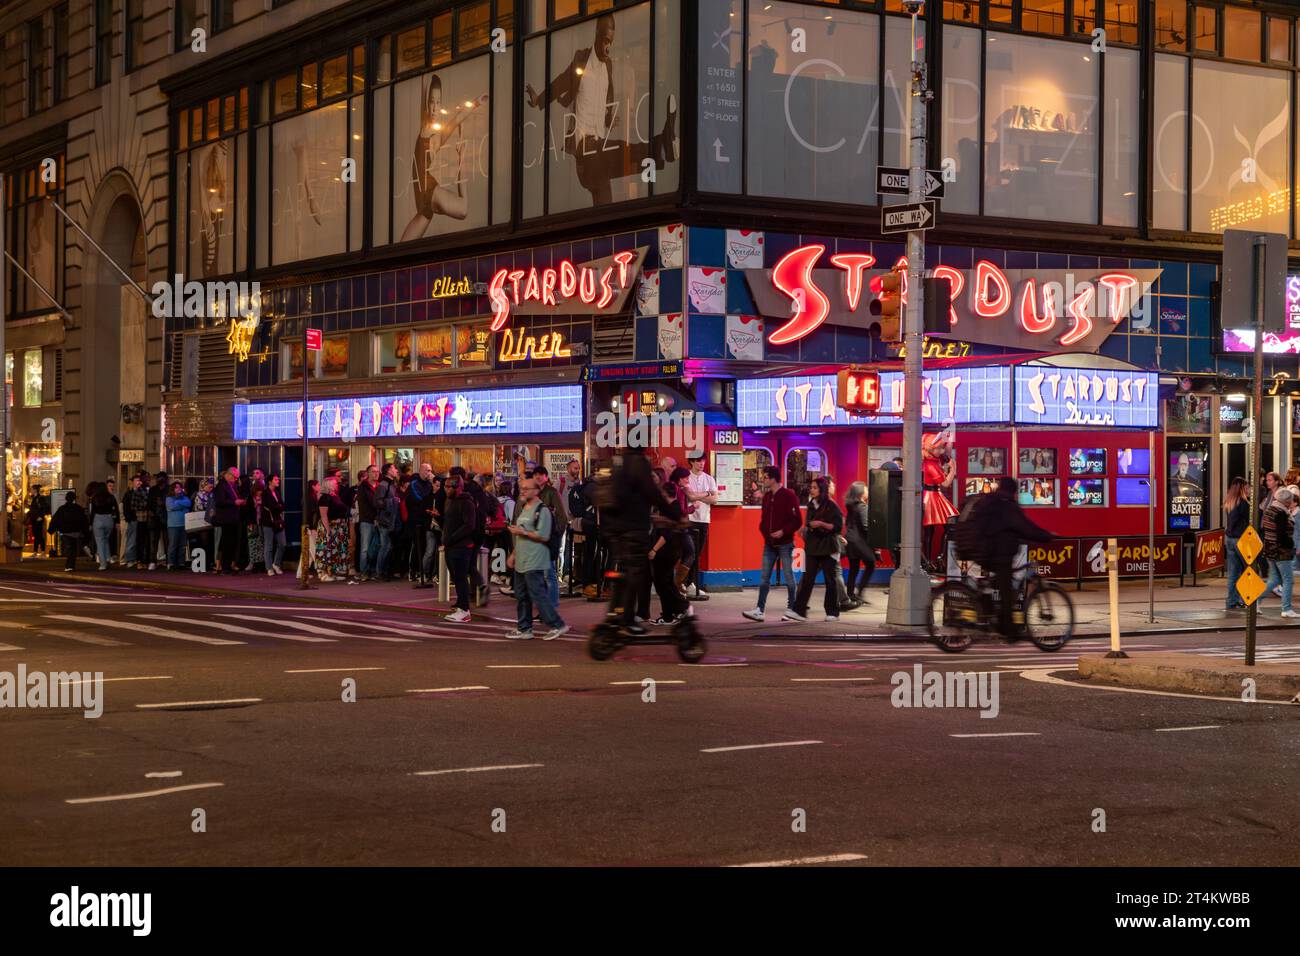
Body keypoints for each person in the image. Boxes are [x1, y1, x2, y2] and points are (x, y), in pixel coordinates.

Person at [525, 12, 678, 207]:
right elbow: (561, 82)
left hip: (600, 147)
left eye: (610, 42)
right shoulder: (581, 60)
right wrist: (539, 100)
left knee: (624, 158)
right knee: (617, 159)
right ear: (597, 35)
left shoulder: (608, 66)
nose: (608, 46)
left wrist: (608, 118)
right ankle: (663, 146)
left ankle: (664, 147)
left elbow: (603, 102)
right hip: (584, 148)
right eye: (605, 40)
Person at [963, 476, 1054, 639]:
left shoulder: (991, 500)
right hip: (996, 554)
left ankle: (990, 613)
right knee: (1006, 590)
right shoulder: (1007, 506)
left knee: (997, 582)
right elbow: (1026, 527)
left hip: (983, 550)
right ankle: (1007, 628)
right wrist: (1047, 536)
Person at [504, 476, 570, 640]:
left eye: (526, 489)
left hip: (535, 559)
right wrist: (513, 555)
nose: (523, 491)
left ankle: (558, 624)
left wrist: (522, 532)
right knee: (522, 595)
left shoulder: (543, 510)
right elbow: (520, 537)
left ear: (536, 490)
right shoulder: (524, 507)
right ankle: (524, 628)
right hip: (522, 559)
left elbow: (543, 536)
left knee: (538, 594)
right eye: (522, 488)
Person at [744, 465, 801, 622]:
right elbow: (763, 520)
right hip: (769, 544)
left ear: (774, 478)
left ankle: (792, 609)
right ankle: (759, 610)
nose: (763, 480)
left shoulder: (789, 495)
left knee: (789, 577)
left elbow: (797, 520)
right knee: (764, 578)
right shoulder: (768, 497)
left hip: (785, 543)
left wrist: (783, 532)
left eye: (765, 477)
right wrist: (765, 533)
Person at [784, 476, 844, 624]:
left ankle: (832, 612)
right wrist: (806, 528)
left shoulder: (832, 506)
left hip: (828, 547)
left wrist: (821, 524)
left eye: (815, 487)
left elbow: (837, 527)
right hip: (812, 547)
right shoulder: (811, 504)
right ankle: (799, 610)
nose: (811, 490)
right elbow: (809, 523)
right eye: (811, 487)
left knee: (830, 580)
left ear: (822, 489)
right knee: (807, 579)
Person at [441, 475, 478, 622]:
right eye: (446, 486)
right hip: (451, 545)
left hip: (461, 547)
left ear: (458, 487)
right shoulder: (450, 501)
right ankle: (461, 606)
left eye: (449, 486)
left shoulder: (466, 503)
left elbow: (469, 525)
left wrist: (451, 538)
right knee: (457, 578)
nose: (446, 489)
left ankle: (464, 609)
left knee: (461, 578)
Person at [683, 452, 718, 600]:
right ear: (691, 462)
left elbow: (715, 500)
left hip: (704, 520)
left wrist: (699, 495)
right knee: (687, 553)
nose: (701, 464)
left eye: (702, 461)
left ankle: (691, 583)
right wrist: (707, 494)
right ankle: (682, 583)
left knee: (697, 553)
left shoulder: (709, 479)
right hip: (689, 519)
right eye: (698, 461)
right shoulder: (686, 478)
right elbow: (689, 496)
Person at [922, 432, 958, 562]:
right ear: (932, 449)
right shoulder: (931, 465)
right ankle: (939, 558)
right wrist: (953, 469)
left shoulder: (930, 461)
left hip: (931, 495)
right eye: (938, 448)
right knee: (949, 527)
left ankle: (930, 561)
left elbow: (946, 452)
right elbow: (946, 483)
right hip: (932, 496)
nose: (941, 450)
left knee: (929, 532)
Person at [1261, 487, 1297, 617]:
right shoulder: (1281, 513)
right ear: (1286, 501)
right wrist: (1291, 544)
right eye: (1290, 500)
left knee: (1274, 579)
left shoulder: (1270, 509)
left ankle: (1254, 602)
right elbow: (1281, 534)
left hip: (1269, 549)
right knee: (1288, 580)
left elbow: (1266, 529)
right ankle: (1286, 609)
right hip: (1281, 551)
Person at [315, 475, 351, 583]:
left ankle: (335, 571)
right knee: (326, 549)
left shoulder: (334, 496)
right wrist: (328, 530)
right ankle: (323, 572)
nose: (337, 484)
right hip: (330, 526)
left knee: (337, 550)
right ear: (329, 484)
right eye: (335, 483)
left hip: (339, 527)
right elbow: (324, 515)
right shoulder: (324, 497)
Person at [843, 480, 875, 603]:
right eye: (866, 489)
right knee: (871, 564)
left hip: (850, 540)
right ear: (861, 493)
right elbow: (866, 526)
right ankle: (860, 593)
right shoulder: (862, 507)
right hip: (860, 541)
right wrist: (873, 543)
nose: (867, 490)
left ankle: (850, 594)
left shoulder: (850, 506)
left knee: (854, 568)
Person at [1223, 477, 1250, 612]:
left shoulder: (1229, 502)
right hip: (1241, 539)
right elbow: (1248, 521)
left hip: (1229, 538)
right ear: (1242, 488)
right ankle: (1245, 599)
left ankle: (1231, 601)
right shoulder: (1243, 503)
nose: (1249, 489)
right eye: (1247, 487)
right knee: (1249, 570)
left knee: (1233, 573)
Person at [213, 468, 245, 574]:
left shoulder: (233, 486)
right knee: (226, 542)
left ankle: (230, 564)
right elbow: (220, 501)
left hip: (233, 518)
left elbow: (235, 497)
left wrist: (240, 501)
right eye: (235, 477)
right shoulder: (221, 486)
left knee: (232, 541)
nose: (236, 480)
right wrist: (234, 502)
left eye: (237, 478)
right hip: (226, 518)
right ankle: (225, 566)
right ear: (228, 475)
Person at [48, 491, 89, 572]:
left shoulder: (62, 509)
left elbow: (55, 520)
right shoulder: (79, 509)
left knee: (69, 548)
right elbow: (84, 521)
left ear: (66, 498)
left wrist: (51, 530)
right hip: (76, 532)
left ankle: (69, 565)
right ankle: (71, 565)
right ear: (74, 498)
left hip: (65, 532)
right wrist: (85, 532)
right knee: (73, 549)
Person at [89, 480, 120, 571]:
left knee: (100, 542)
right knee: (106, 539)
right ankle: (107, 557)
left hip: (98, 519)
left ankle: (103, 564)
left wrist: (90, 523)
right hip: (109, 519)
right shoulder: (111, 497)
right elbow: (116, 510)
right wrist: (117, 521)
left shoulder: (95, 498)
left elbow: (93, 512)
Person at [356, 465, 380, 581]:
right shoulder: (363, 487)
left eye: (377, 471)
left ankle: (373, 570)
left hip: (378, 521)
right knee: (365, 548)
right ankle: (364, 572)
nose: (376, 473)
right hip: (366, 521)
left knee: (375, 547)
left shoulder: (379, 486)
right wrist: (374, 517)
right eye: (373, 472)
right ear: (368, 473)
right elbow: (366, 505)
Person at [261, 474, 287, 575]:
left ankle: (276, 563)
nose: (278, 481)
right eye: (275, 479)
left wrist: (279, 506)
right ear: (270, 482)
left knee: (282, 544)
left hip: (278, 521)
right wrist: (278, 506)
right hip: (268, 521)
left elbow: (282, 505)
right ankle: (269, 568)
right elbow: (271, 506)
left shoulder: (277, 492)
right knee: (269, 545)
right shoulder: (265, 493)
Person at [124, 474, 150, 569]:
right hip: (134, 519)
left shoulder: (145, 491)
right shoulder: (129, 493)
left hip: (142, 519)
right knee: (132, 540)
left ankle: (137, 559)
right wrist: (130, 518)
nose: (139, 482)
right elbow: (127, 507)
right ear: (133, 482)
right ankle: (130, 559)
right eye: (136, 480)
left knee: (140, 540)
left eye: (140, 480)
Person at [165, 481, 191, 570]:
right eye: (176, 487)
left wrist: (178, 504)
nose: (179, 488)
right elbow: (171, 507)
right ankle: (171, 563)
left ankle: (181, 563)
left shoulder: (185, 497)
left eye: (180, 487)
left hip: (184, 524)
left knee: (182, 545)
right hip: (173, 525)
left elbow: (189, 503)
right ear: (172, 489)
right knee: (173, 545)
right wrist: (182, 505)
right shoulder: (169, 498)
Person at [192, 478, 216, 572]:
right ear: (203, 486)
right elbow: (199, 508)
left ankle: (210, 562)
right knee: (204, 543)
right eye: (208, 485)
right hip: (202, 522)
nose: (211, 487)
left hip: (210, 522)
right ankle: (204, 564)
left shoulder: (212, 494)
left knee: (210, 543)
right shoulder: (199, 495)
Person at [303, 479, 321, 579]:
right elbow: (312, 514)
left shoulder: (310, 497)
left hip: (309, 526)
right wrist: (312, 527)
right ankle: (320, 571)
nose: (319, 486)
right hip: (310, 526)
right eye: (318, 485)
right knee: (314, 549)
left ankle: (301, 572)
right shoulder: (311, 498)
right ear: (313, 486)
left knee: (309, 550)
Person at [25, 485, 48, 555]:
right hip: (34, 519)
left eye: (32, 489)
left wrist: (41, 516)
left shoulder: (40, 498)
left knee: (40, 535)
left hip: (38, 519)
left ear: (35, 490)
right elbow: (32, 509)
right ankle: (35, 551)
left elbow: (44, 508)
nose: (31, 491)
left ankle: (43, 551)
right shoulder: (33, 498)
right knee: (36, 535)